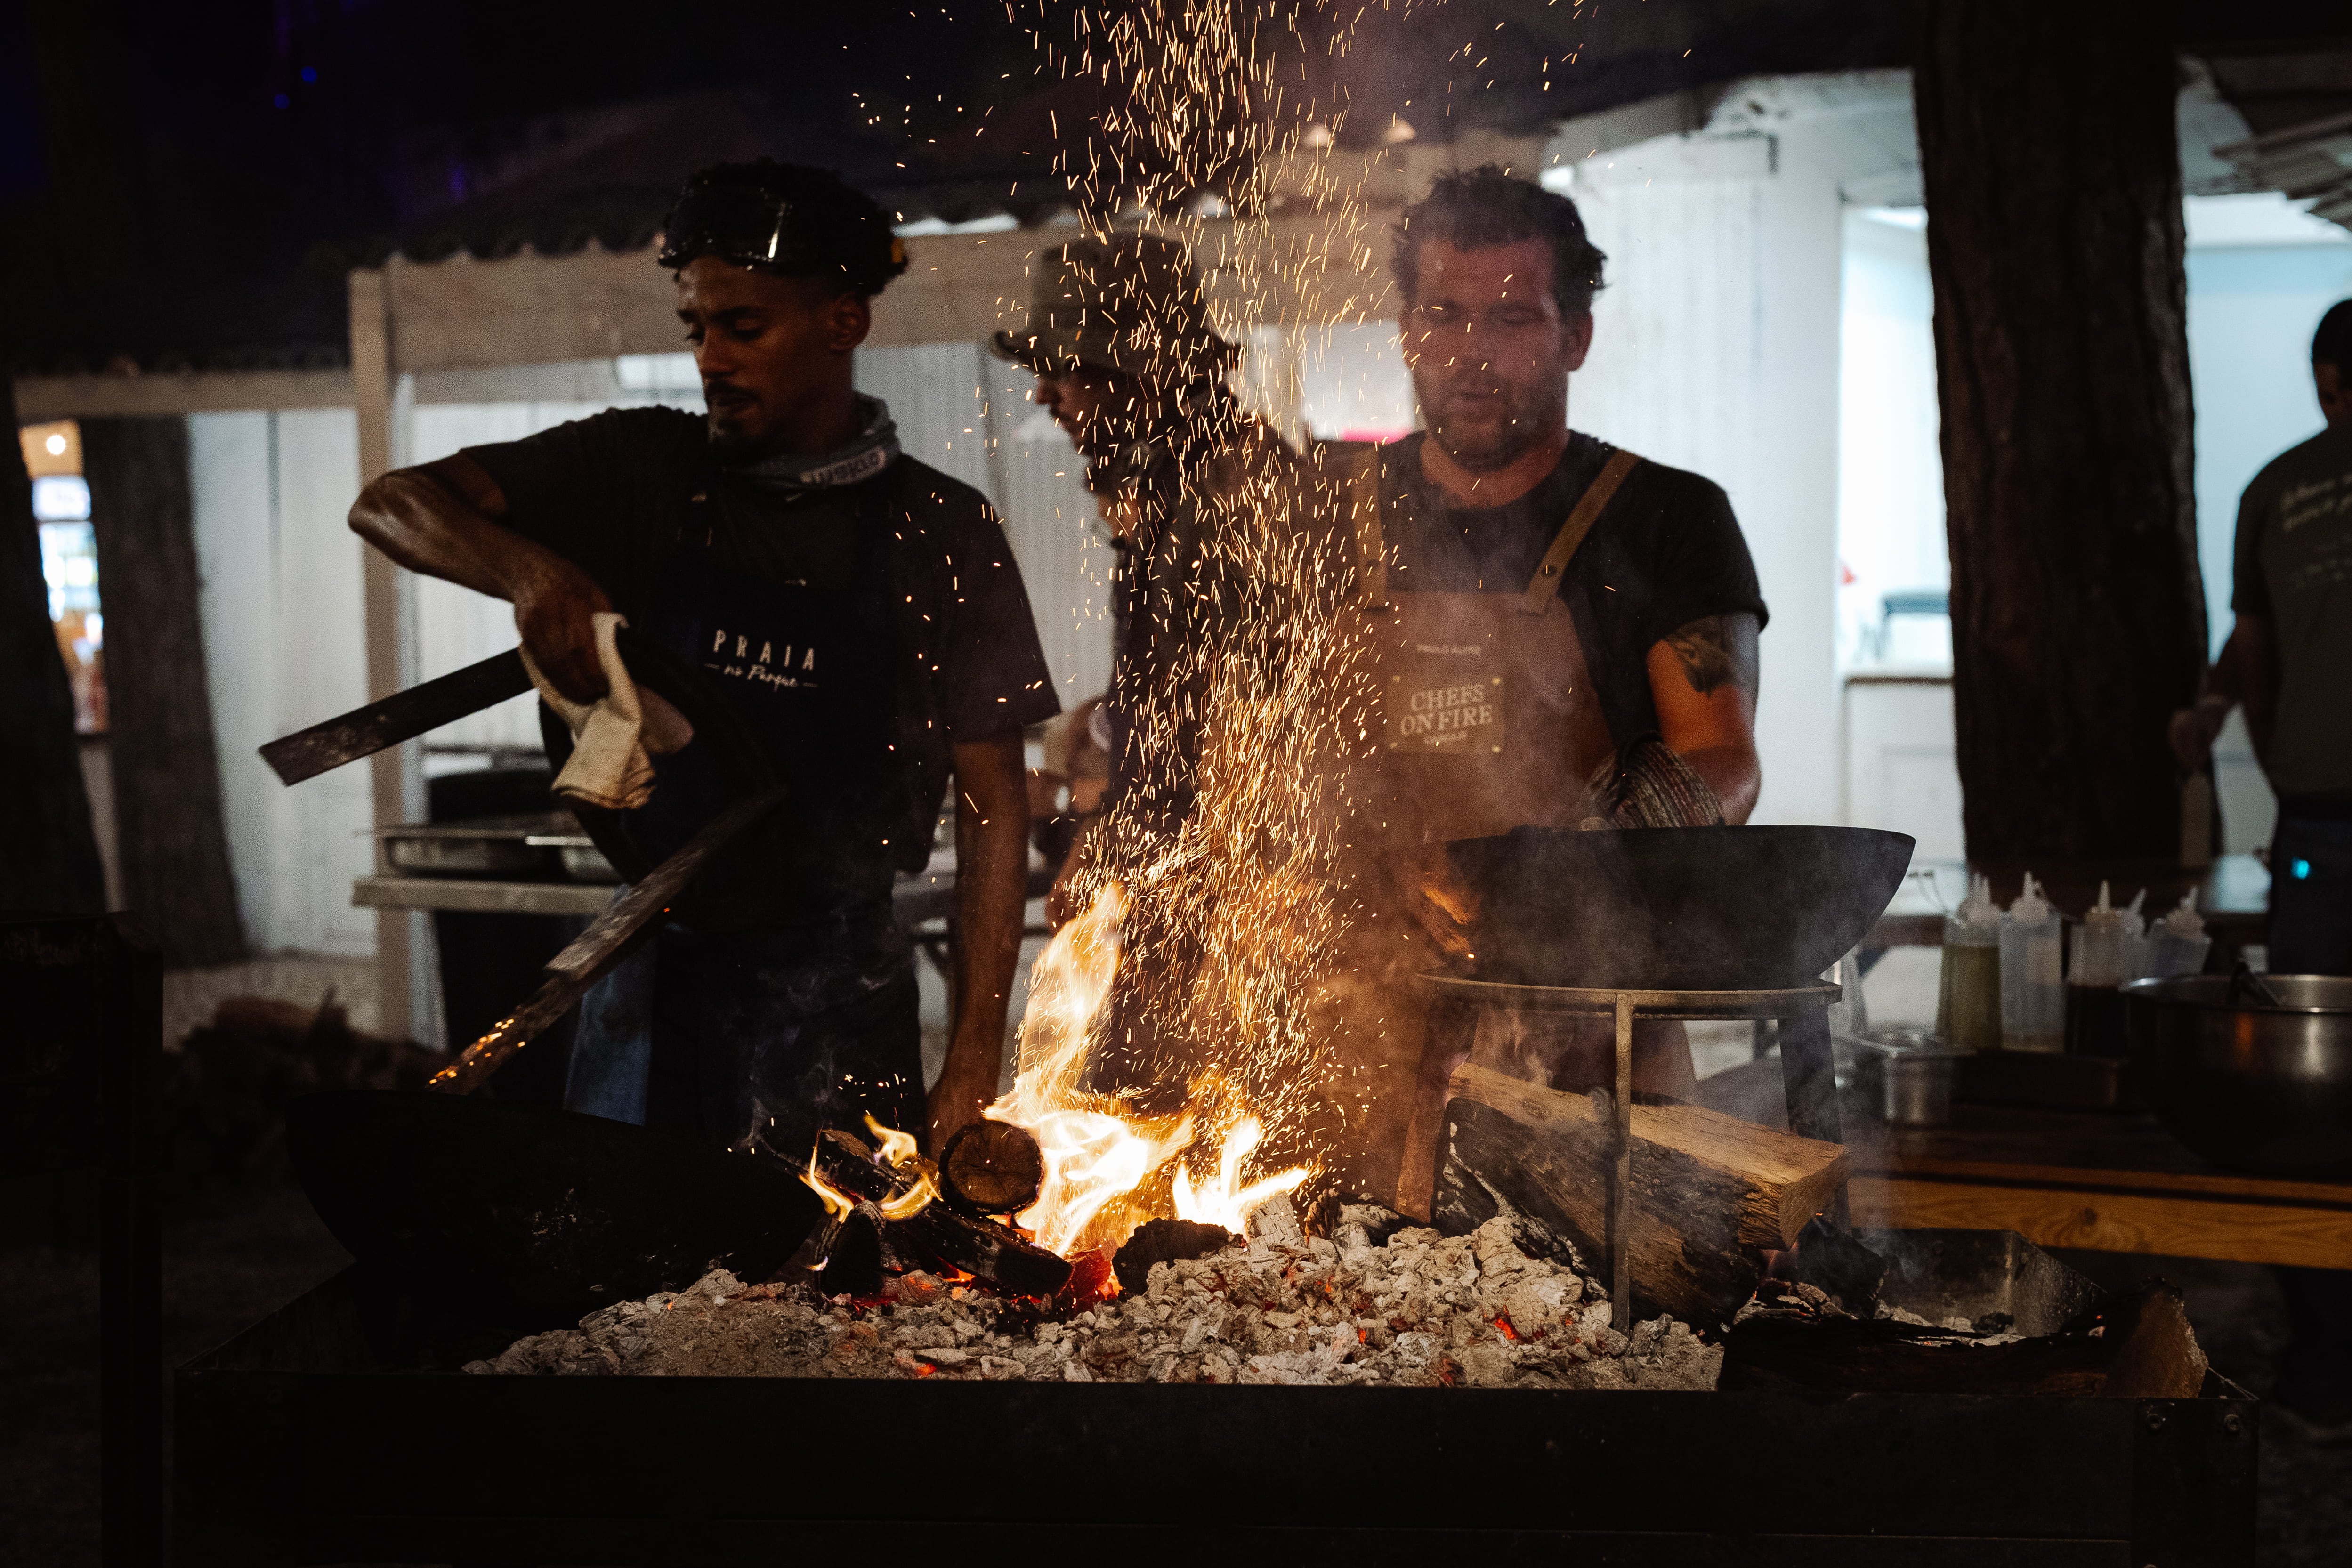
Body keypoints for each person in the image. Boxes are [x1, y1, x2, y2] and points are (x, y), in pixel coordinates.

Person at [349, 161, 1060, 1158]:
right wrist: (525, 572)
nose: (710, 358)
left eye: (744, 327)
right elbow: (389, 503)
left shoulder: (940, 530)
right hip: (652, 976)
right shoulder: (641, 466)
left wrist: (974, 1061)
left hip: (842, 994)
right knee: (630, 1296)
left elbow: (995, 806)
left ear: (841, 323)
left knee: (845, 1298)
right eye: (697, 329)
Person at [1327, 166, 1770, 1211]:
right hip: (1359, 1029)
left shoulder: (1667, 519)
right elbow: (1277, 751)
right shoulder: (1326, 513)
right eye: (1441, 314)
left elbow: (1722, 757)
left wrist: (1553, 878)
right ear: (1403, 329)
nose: (1470, 352)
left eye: (1510, 318)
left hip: (1591, 1031)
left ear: (1574, 337)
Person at [2169, 297, 2352, 1440]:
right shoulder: (2274, 491)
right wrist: (2220, 706)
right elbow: (2255, 638)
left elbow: (2258, 644)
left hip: (2318, 821)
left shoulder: (2277, 488)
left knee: (2313, 1101)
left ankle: (2329, 1372)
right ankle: (2329, 1366)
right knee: (2309, 1100)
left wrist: (2237, 710)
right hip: (2319, 825)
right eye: (2335, 388)